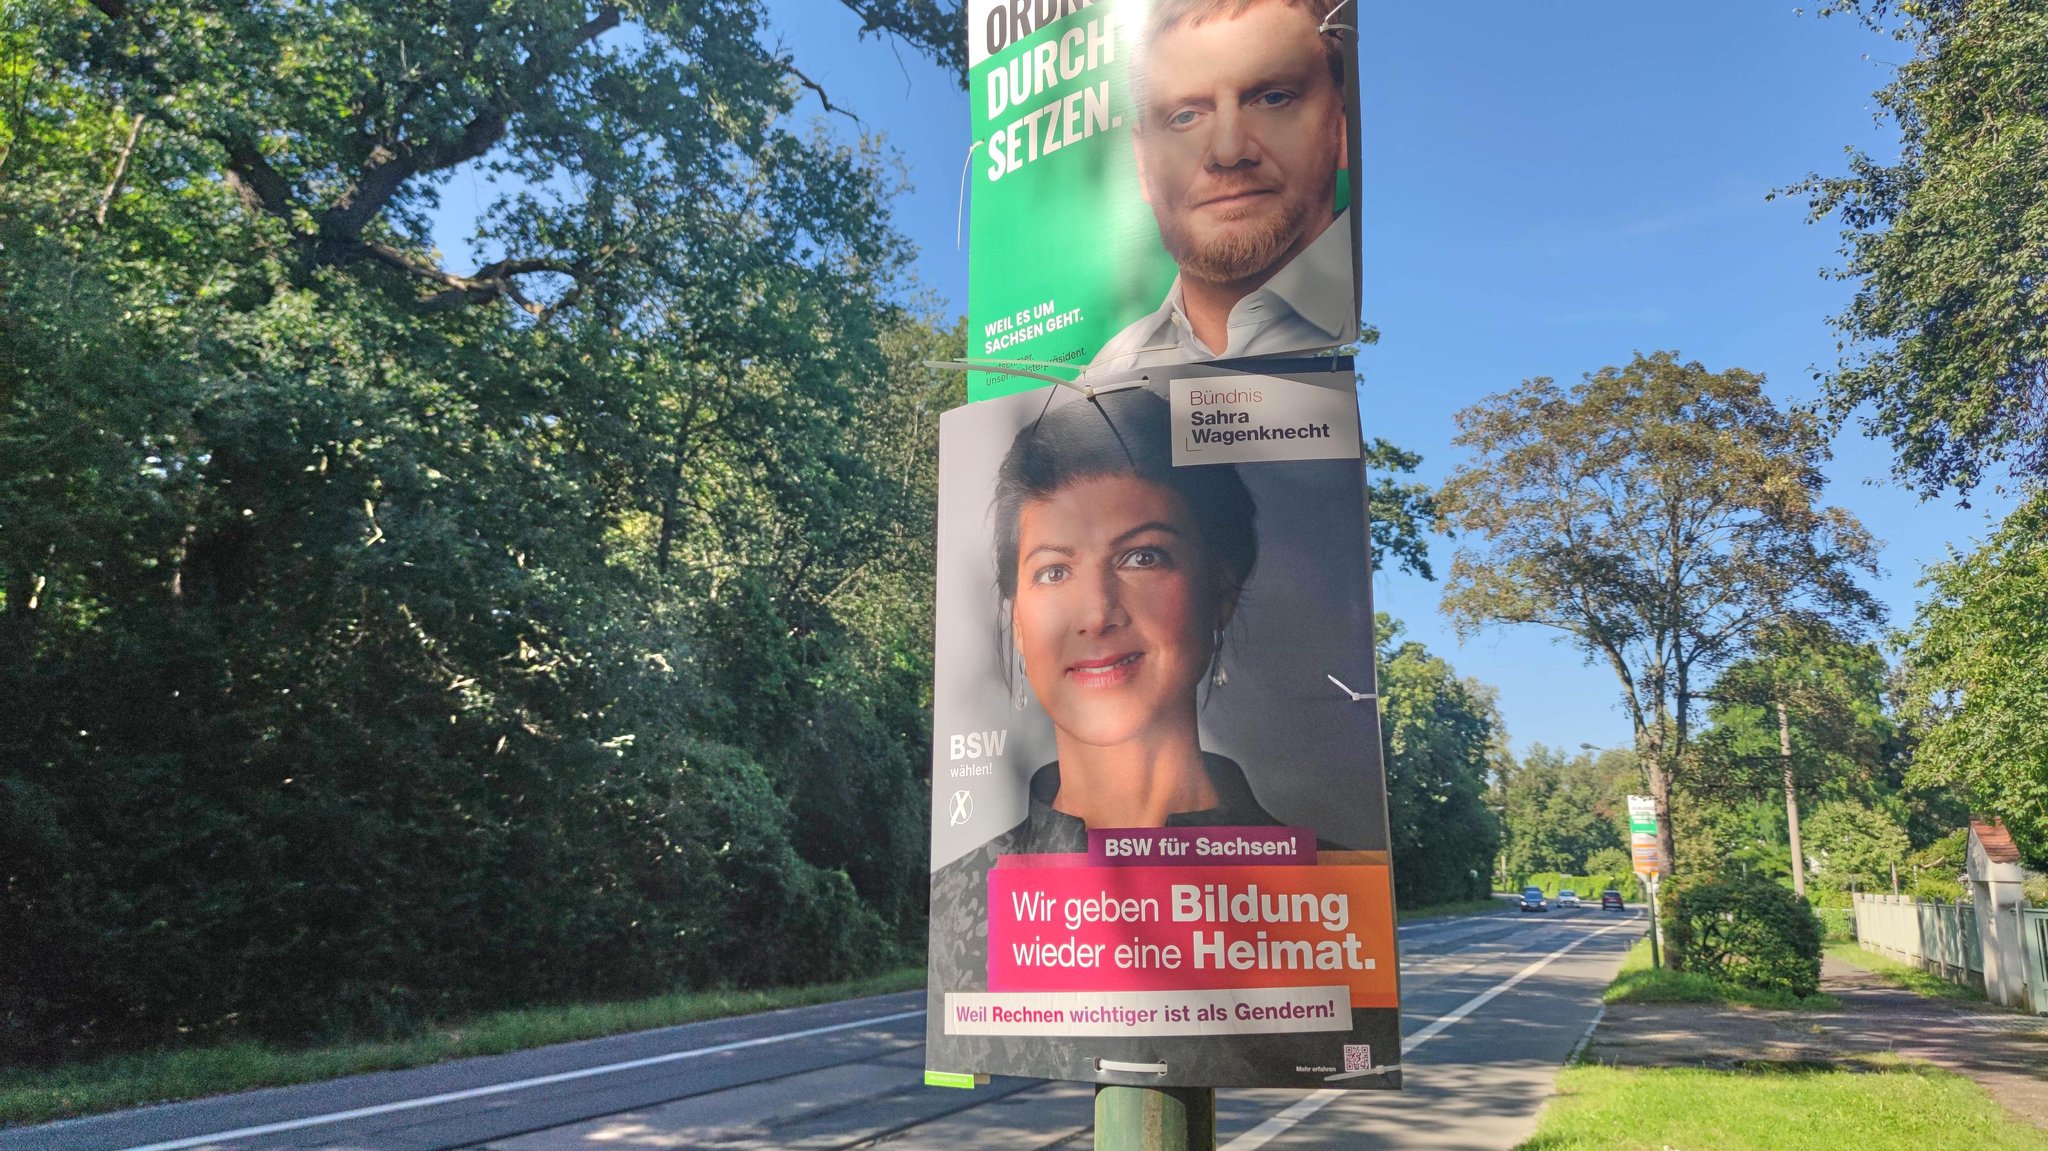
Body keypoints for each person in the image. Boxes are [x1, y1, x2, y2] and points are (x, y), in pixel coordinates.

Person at [1087, 0, 1355, 375]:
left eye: (1272, 99)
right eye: (1185, 117)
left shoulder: (1379, 303)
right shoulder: (1107, 372)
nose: (1228, 152)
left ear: (1342, 124)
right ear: (1142, 163)